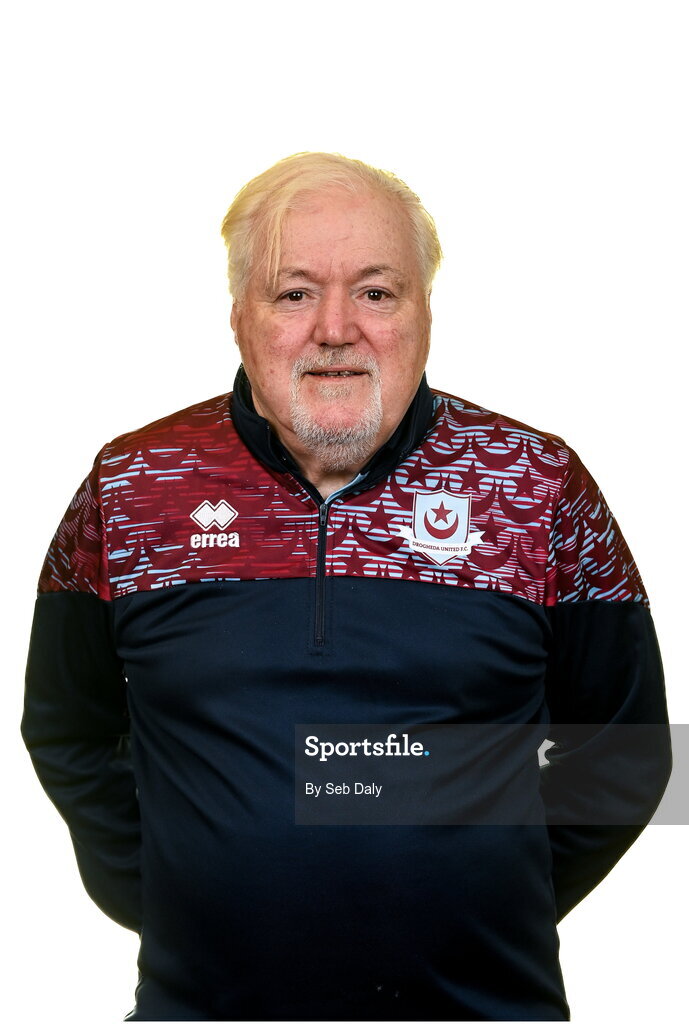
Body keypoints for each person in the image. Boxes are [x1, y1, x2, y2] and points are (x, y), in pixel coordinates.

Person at [22, 151, 671, 1022]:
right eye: (294, 293)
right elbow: (66, 727)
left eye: (375, 291)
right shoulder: (134, 484)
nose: (335, 328)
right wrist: (173, 892)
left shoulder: (539, 483)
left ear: (423, 312)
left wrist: (485, 897)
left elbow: (625, 756)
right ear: (239, 313)